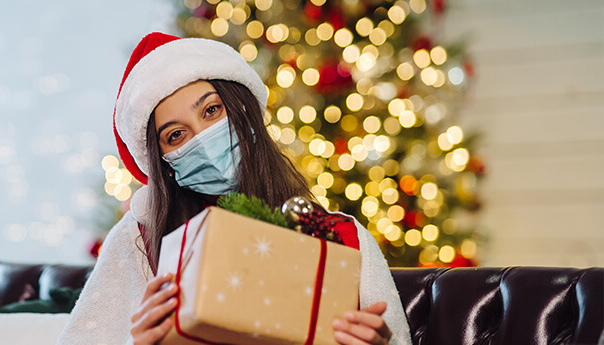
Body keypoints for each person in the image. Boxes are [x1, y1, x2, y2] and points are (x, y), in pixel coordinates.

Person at [57, 32, 412, 345]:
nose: (203, 138)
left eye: (212, 110)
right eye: (176, 135)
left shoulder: (343, 239)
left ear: (244, 109)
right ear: (162, 161)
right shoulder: (137, 243)